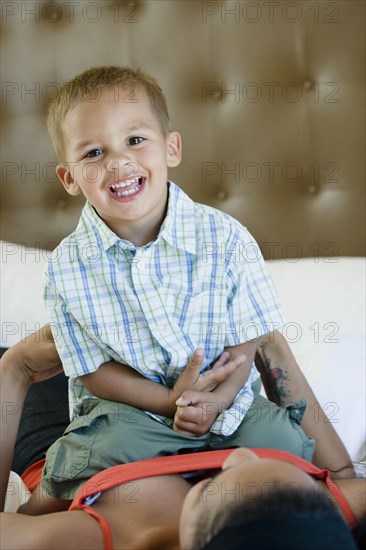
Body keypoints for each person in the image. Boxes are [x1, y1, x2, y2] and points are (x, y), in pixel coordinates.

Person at [25, 65, 318, 509]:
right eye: (93, 153)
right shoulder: (68, 266)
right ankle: (31, 514)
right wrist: (169, 401)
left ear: (172, 148)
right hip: (133, 412)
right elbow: (91, 369)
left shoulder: (225, 238)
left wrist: (215, 401)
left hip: (226, 404)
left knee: (281, 441)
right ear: (68, 178)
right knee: (88, 453)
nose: (118, 162)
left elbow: (246, 341)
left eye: (135, 140)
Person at [0, 328, 364, 550]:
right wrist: (268, 343)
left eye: (212, 488)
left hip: (69, 434)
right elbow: (343, 475)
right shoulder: (312, 525)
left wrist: (16, 369)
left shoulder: (101, 538)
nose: (236, 457)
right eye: (304, 481)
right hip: (183, 382)